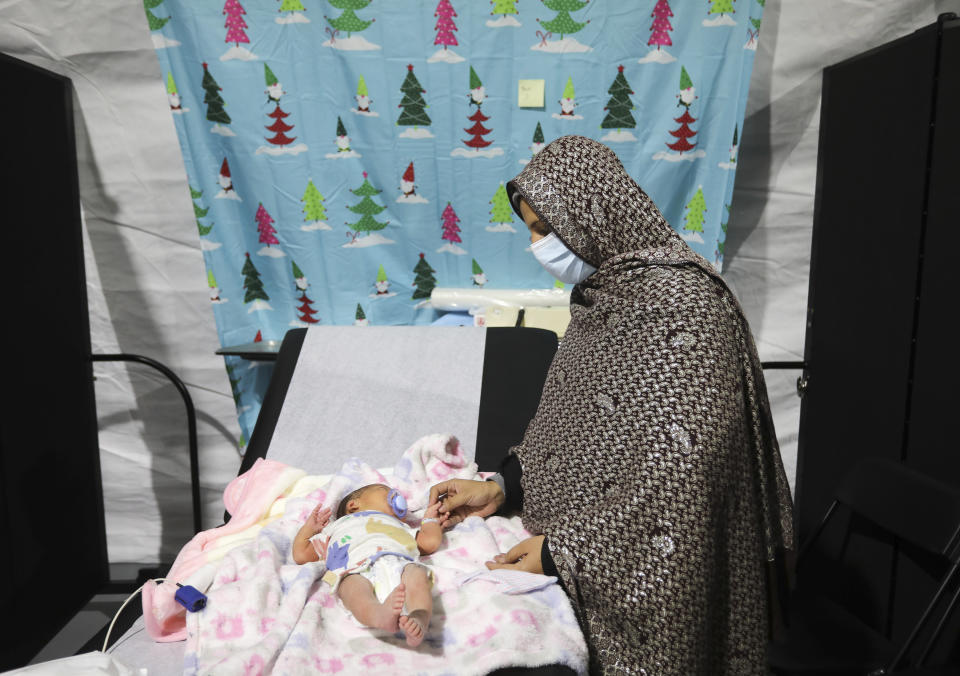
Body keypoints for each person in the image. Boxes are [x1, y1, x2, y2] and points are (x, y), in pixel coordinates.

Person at [428, 135, 795, 674]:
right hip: (576, 540)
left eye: (543, 228)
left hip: (655, 573)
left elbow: (685, 477)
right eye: (531, 228)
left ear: (591, 214)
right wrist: (501, 485)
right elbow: (566, 427)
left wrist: (568, 552)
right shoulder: (603, 297)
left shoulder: (688, 308)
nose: (536, 245)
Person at [292, 483, 446, 647]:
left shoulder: (401, 526)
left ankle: (419, 616)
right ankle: (378, 614)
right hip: (354, 570)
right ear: (353, 505)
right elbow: (301, 555)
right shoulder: (336, 528)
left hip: (399, 564)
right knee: (350, 587)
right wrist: (308, 530)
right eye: (386, 492)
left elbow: (430, 542)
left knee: (417, 573)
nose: (397, 498)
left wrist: (430, 519)